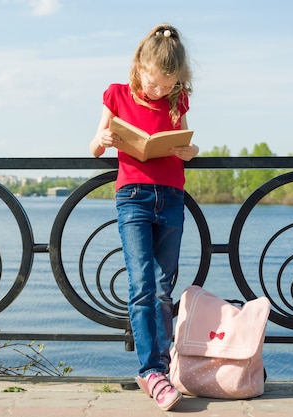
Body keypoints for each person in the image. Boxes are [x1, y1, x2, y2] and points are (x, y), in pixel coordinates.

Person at [89, 24, 198, 411]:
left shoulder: (177, 100)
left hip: (171, 196)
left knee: (164, 287)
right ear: (140, 66)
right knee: (142, 285)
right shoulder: (117, 93)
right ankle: (151, 370)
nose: (159, 91)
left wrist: (190, 150)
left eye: (168, 84)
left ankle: (163, 368)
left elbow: (184, 141)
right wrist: (101, 140)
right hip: (132, 196)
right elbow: (94, 145)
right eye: (154, 83)